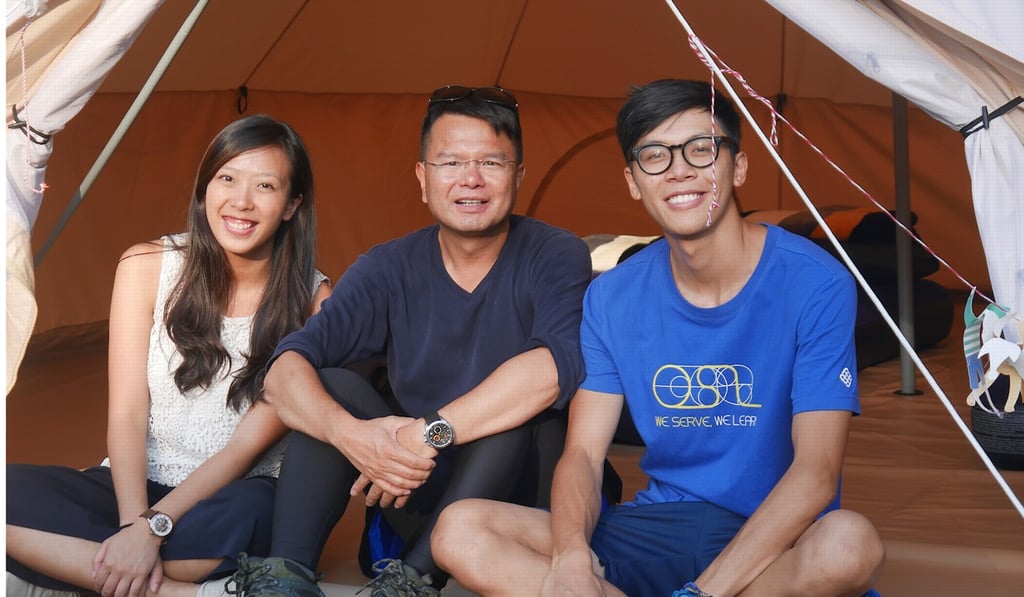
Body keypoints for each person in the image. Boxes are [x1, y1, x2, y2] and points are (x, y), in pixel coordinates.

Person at [432, 78, 887, 597]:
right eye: (655, 155)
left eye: (702, 148)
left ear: (738, 165)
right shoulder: (613, 296)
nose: (679, 170)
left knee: (850, 543)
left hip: (772, 539)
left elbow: (816, 472)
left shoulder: (815, 282)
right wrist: (572, 556)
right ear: (632, 180)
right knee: (460, 528)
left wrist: (701, 594)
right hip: (653, 529)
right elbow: (582, 453)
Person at [231, 85, 594, 597]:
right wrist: (353, 436)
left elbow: (553, 368)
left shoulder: (555, 253)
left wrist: (427, 435)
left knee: (513, 407)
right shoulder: (388, 266)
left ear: (518, 176)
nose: (471, 179)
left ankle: (414, 583)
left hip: (515, 498)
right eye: (450, 163)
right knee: (328, 384)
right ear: (423, 178)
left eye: (491, 162)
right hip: (413, 484)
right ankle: (286, 575)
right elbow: (285, 369)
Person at [6, 114, 331, 597]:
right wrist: (133, 523)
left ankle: (81, 567)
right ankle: (186, 594)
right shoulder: (146, 265)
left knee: (246, 518)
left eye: (265, 186)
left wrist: (152, 530)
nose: (240, 201)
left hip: (236, 492)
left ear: (291, 205)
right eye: (226, 179)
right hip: (134, 484)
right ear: (204, 189)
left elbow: (246, 448)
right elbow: (127, 412)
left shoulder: (315, 300)